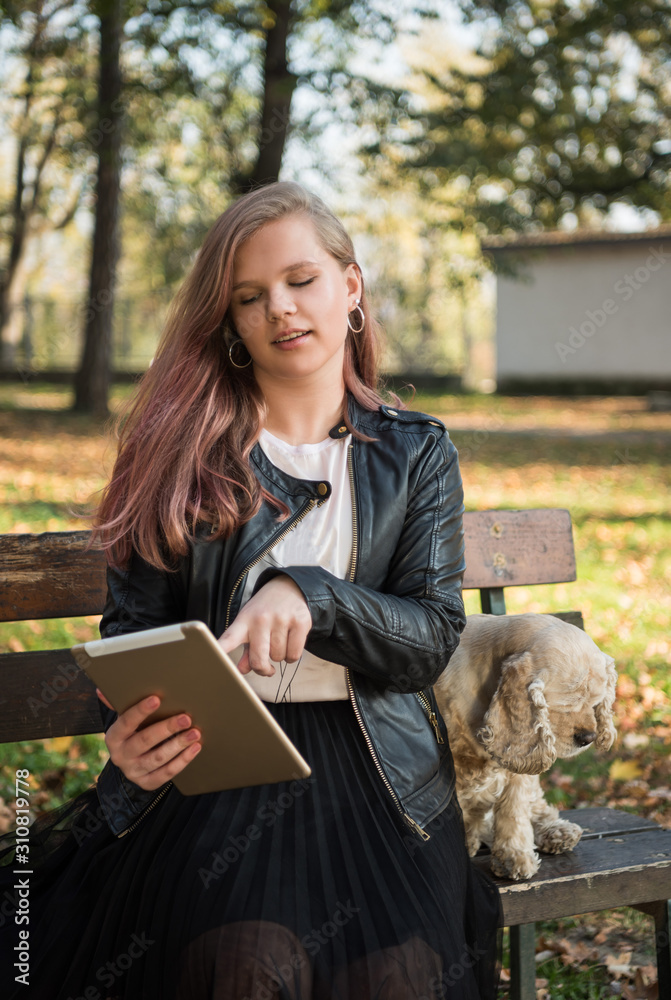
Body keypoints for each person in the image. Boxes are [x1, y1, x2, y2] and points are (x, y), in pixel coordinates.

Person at [0, 180, 501, 999]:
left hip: (381, 785)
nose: (281, 309)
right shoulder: (177, 455)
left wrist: (310, 595)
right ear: (229, 321)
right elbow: (132, 638)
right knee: (241, 967)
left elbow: (429, 637)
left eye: (301, 280)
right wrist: (125, 736)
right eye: (250, 296)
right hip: (216, 777)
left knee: (399, 978)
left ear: (350, 287)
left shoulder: (415, 453)